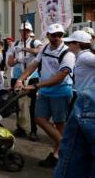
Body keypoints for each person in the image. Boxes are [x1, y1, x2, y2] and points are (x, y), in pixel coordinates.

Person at [15, 23, 75, 168]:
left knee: (59, 123)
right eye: (53, 35)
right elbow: (33, 64)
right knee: (39, 118)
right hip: (45, 91)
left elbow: (60, 77)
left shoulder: (68, 53)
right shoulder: (45, 48)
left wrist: (35, 86)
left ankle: (57, 153)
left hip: (61, 92)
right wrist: (20, 79)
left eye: (60, 35)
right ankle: (63, 145)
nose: (56, 38)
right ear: (47, 35)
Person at [54, 30, 95, 177]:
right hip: (83, 97)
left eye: (70, 42)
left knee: (74, 139)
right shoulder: (82, 56)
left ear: (77, 44)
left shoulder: (85, 57)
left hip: (85, 100)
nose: (67, 45)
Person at [8, 22, 42, 141]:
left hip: (32, 76)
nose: (24, 32)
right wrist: (18, 59)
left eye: (27, 30)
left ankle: (33, 130)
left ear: (30, 32)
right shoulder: (15, 44)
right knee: (18, 104)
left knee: (33, 106)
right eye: (22, 30)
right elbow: (9, 62)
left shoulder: (35, 42)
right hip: (17, 76)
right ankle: (21, 128)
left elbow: (39, 51)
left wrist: (25, 49)